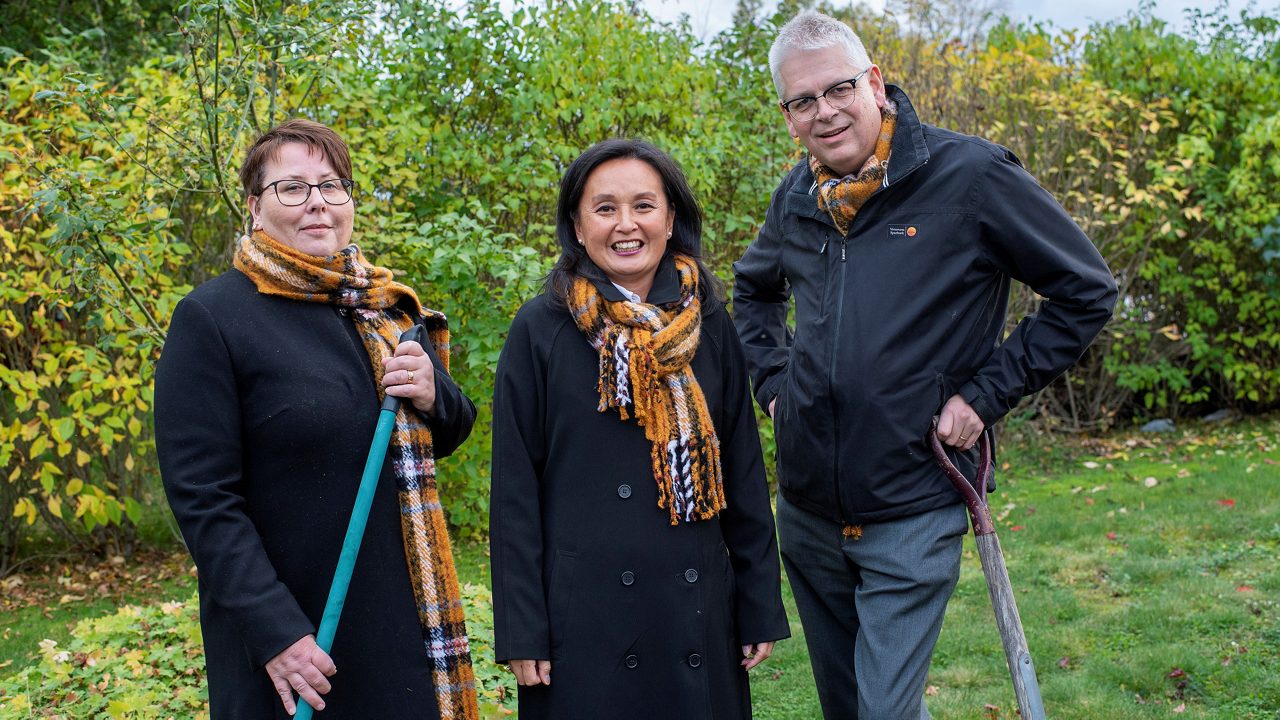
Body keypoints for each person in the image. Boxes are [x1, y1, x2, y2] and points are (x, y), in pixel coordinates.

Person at [733, 11, 1118, 719]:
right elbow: (753, 293)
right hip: (811, 506)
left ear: (874, 83)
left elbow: (1085, 291)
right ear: (787, 115)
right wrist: (776, 386)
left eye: (838, 89)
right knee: (853, 706)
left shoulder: (970, 175)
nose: (824, 112)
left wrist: (984, 396)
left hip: (915, 493)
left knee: (882, 712)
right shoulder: (796, 198)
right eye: (802, 101)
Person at [154, 119, 479, 719]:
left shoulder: (385, 310)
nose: (317, 205)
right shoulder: (213, 318)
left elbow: (449, 431)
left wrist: (435, 393)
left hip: (403, 618)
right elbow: (203, 498)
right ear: (255, 207)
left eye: (331, 186)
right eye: (292, 188)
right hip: (297, 638)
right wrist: (275, 632)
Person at [489, 139, 790, 720]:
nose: (626, 225)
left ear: (671, 218)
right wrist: (522, 627)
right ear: (577, 227)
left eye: (644, 206)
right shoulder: (541, 328)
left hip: (694, 609)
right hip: (581, 619)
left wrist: (757, 604)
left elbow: (743, 471)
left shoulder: (709, 323)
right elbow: (514, 492)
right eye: (604, 209)